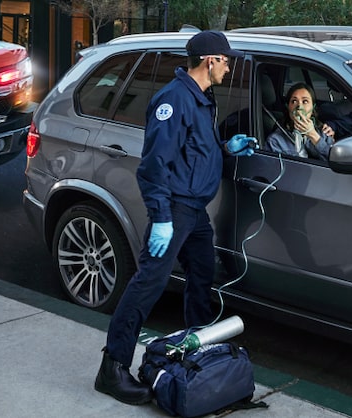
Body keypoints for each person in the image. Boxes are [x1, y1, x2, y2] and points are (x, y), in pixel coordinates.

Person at [94, 30, 256, 405]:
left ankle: (194, 350)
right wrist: (161, 217)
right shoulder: (174, 100)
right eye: (226, 61)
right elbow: (153, 167)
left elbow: (192, 150)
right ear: (210, 60)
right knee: (148, 283)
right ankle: (112, 367)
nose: (229, 68)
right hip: (176, 209)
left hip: (194, 211)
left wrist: (224, 148)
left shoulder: (202, 99)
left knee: (202, 273)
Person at [266, 83, 336, 161]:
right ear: (288, 107)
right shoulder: (276, 140)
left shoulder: (325, 133)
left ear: (313, 107)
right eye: (294, 101)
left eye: (305, 101)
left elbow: (335, 162)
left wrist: (313, 136)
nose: (299, 106)